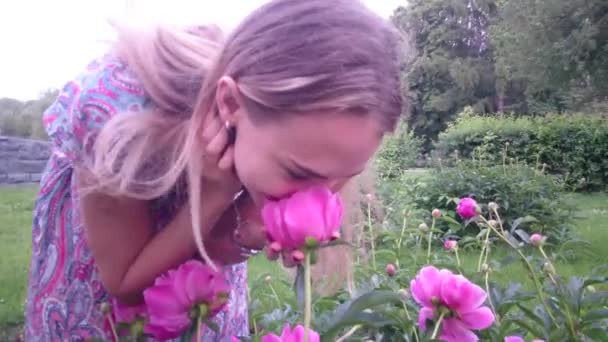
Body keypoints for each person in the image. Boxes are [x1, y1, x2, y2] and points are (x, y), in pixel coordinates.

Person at [24, 0, 404, 340]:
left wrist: (252, 228)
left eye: (345, 175)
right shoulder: (115, 112)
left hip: (196, 307)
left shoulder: (280, 141)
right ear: (229, 103)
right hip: (106, 310)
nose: (321, 196)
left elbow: (213, 248)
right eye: (300, 173)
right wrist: (215, 194)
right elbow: (124, 283)